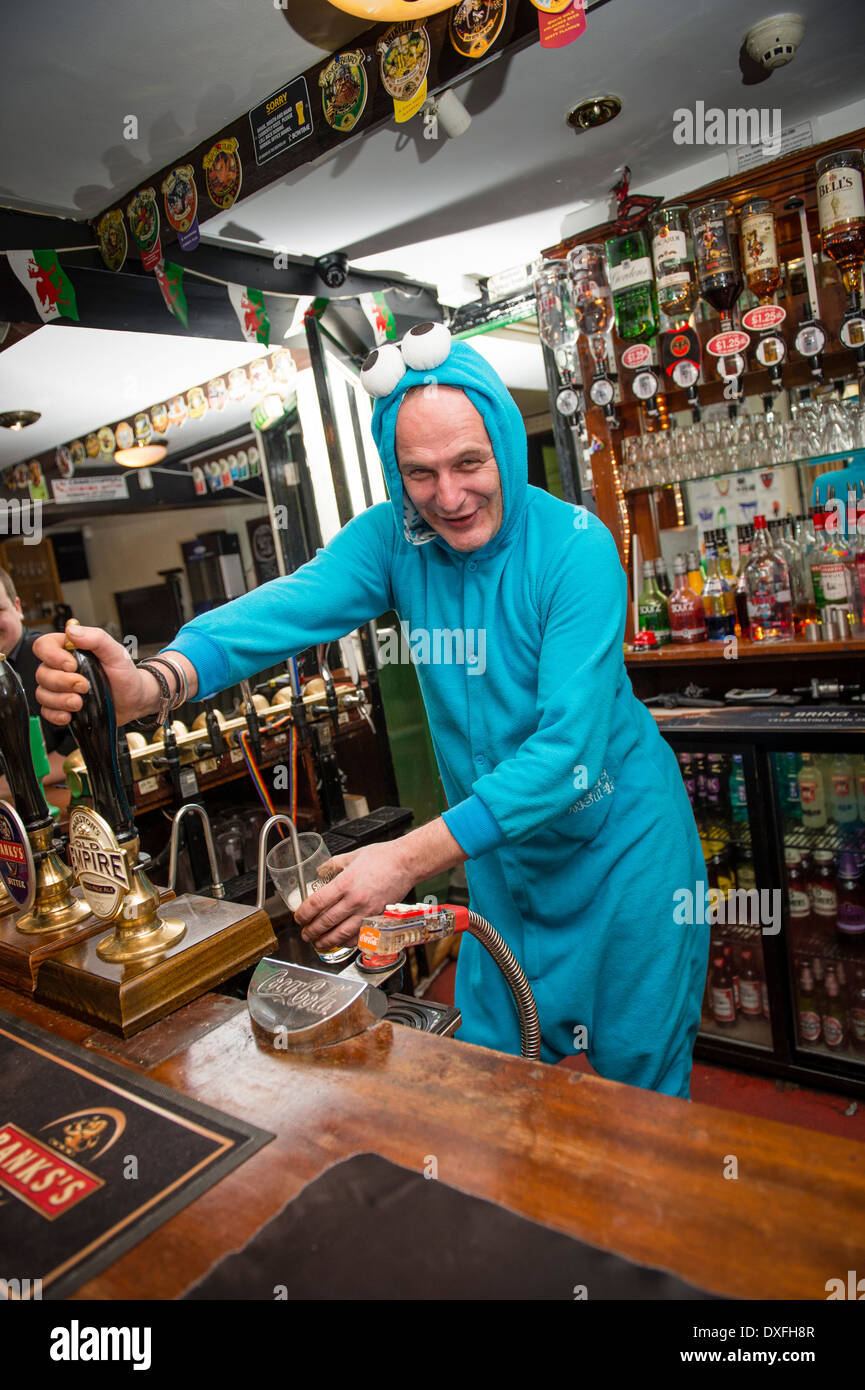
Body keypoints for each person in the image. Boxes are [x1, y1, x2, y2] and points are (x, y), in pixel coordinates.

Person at [35, 333, 708, 1097]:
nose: (447, 497)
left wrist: (406, 859)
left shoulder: (574, 551)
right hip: (502, 854)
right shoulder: (399, 538)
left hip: (619, 850)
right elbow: (285, 608)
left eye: (468, 464)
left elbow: (566, 757)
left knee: (641, 1085)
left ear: (507, 447)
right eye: (418, 473)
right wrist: (155, 682)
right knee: (493, 1076)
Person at [0, 568, 76, 800]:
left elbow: (85, 740)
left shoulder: (52, 657)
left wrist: (14, 783)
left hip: (61, 802)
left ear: (18, 608)